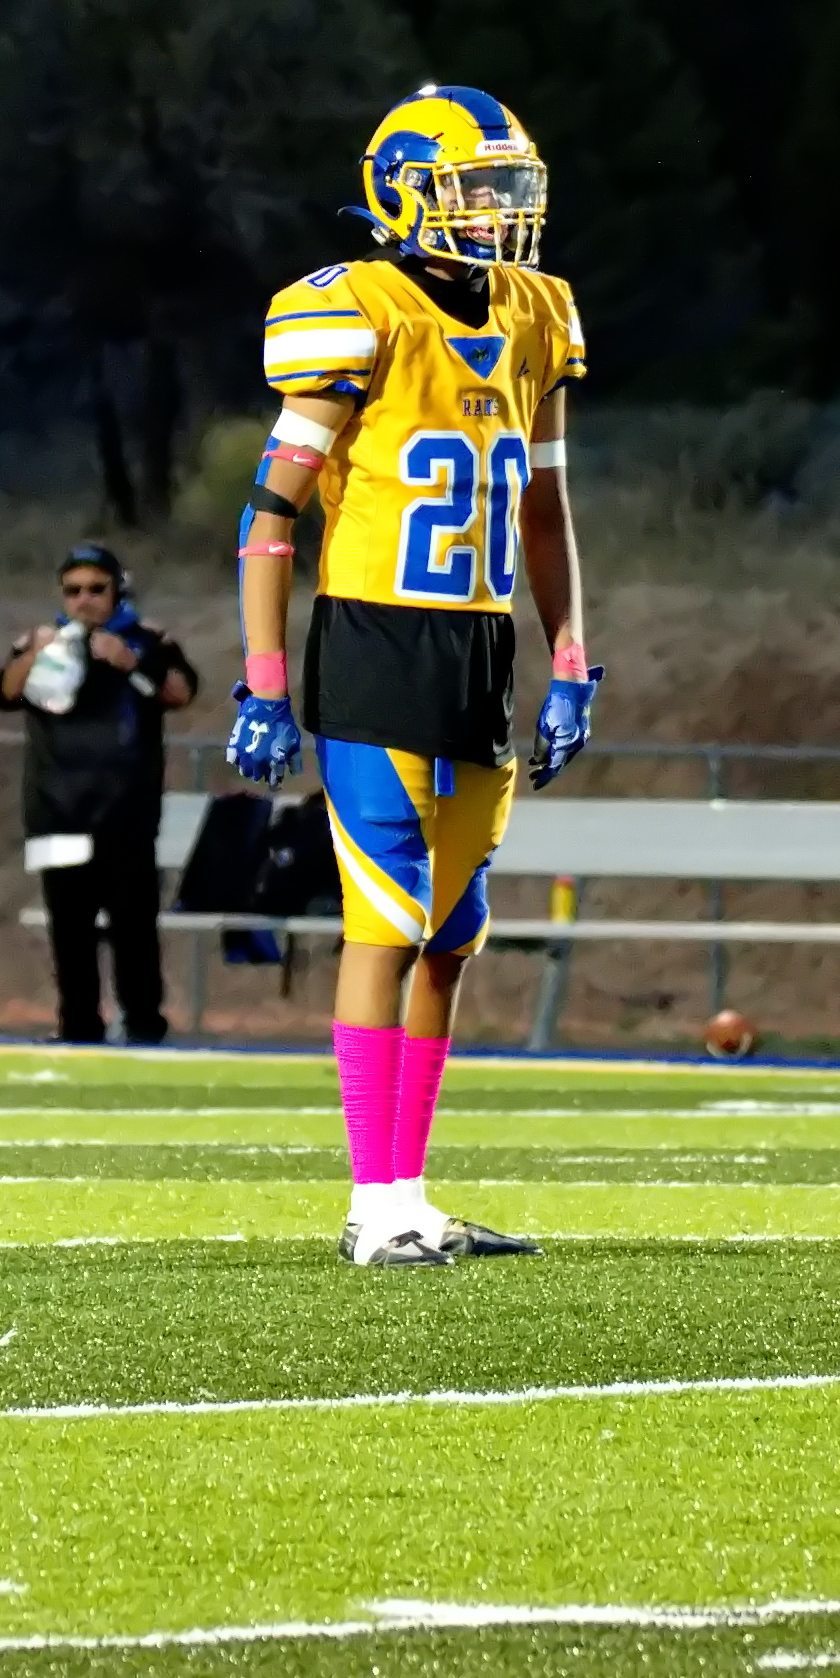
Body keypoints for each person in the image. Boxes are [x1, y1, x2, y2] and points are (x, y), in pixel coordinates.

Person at [226, 85, 601, 1266]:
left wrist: (570, 658)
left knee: (451, 931)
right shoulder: (358, 308)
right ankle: (369, 1203)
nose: (496, 214)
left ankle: (410, 1193)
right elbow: (270, 516)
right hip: (375, 639)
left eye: (507, 192)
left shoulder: (534, 312)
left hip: (481, 647)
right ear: (403, 194)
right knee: (382, 921)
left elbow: (544, 509)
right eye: (474, 192)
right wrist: (262, 681)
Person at [0, 542, 198, 1044]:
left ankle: (144, 1022)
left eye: (95, 589)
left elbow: (182, 692)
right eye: (73, 591)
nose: (84, 600)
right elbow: (3, 693)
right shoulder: (43, 642)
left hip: (126, 810)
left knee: (133, 923)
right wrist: (35, 652)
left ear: (116, 591)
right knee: (69, 925)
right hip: (56, 808)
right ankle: (78, 1024)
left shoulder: (146, 639)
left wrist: (130, 661)